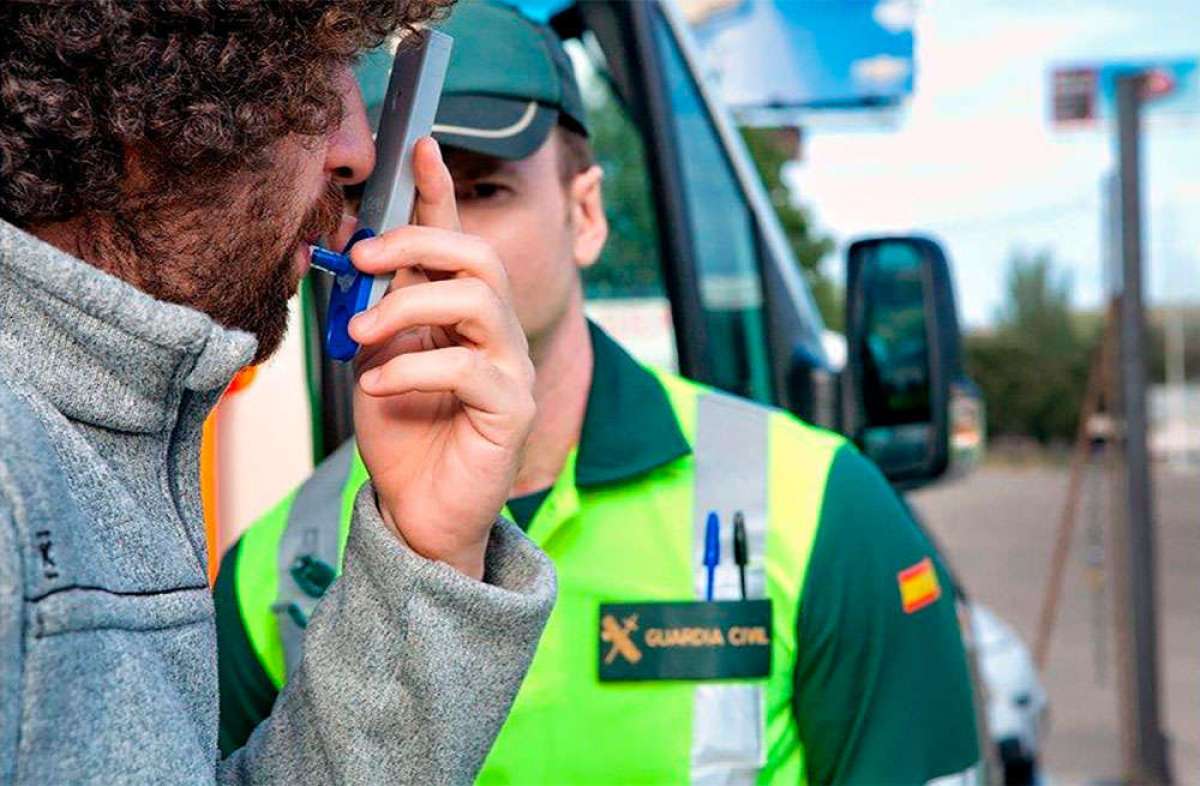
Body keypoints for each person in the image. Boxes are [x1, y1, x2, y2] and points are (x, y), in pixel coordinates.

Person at [217, 3, 983, 784]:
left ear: (585, 213)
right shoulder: (269, 569)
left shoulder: (825, 510)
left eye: (479, 190)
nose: (431, 236)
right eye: (386, 199)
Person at [0, 2, 557, 784]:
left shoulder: (107, 425)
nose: (360, 151)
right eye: (307, 70)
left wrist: (426, 556)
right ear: (138, 87)